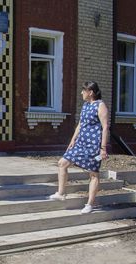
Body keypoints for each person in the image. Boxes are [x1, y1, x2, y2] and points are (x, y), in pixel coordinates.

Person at [49, 81, 110, 214]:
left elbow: (105, 127)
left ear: (91, 92)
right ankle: (60, 193)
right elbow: (80, 124)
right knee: (62, 163)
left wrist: (103, 148)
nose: (81, 93)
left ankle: (89, 204)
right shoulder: (85, 105)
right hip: (80, 143)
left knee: (93, 174)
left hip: (94, 145)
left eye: (83, 90)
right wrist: (73, 140)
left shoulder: (100, 105)